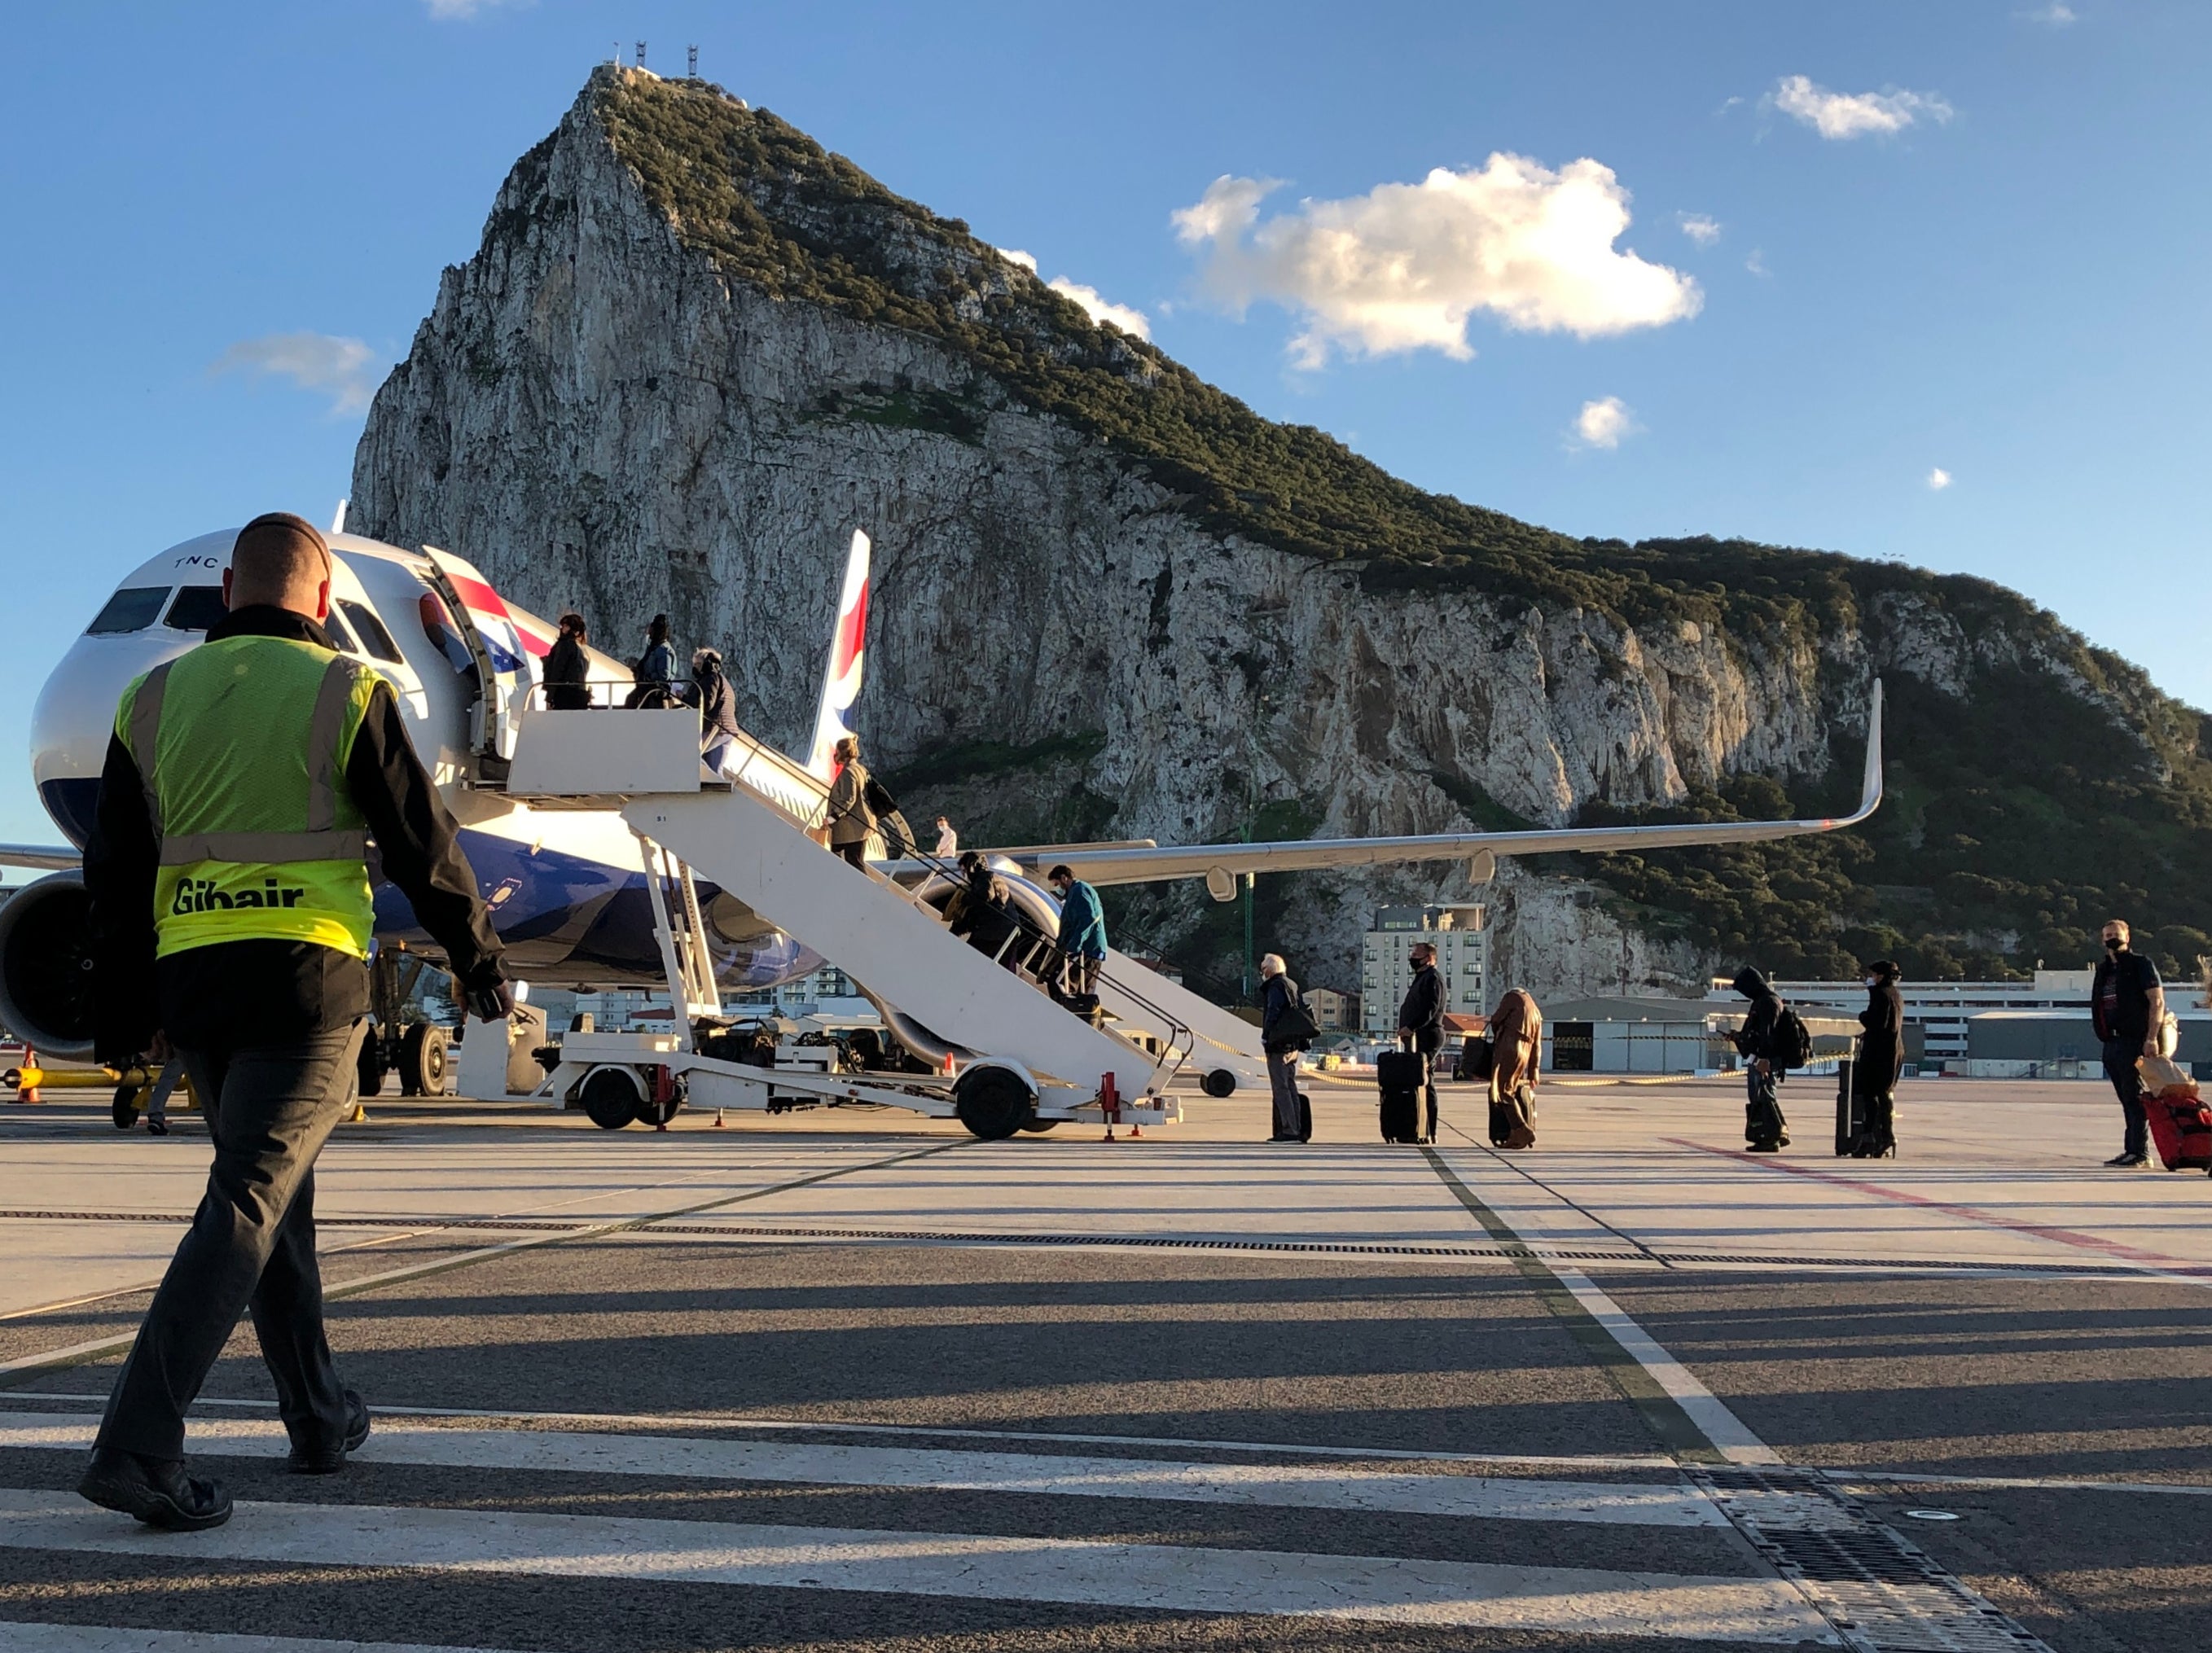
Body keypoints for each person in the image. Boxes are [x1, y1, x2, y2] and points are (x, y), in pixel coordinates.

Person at [77, 512, 510, 1532]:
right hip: (307, 985)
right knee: (246, 1206)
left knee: (277, 1208)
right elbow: (425, 847)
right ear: (321, 599)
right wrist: (480, 962)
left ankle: (318, 1417)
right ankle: (138, 1443)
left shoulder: (149, 698)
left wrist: (120, 1010)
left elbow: (114, 873)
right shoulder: (348, 686)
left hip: (197, 990)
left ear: (230, 590)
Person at [2091, 919, 2164, 1168]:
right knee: (2125, 1097)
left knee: (2135, 1097)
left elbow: (2157, 1002)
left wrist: (2152, 1038)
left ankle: (2141, 1152)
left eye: (2116, 934)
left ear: (2127, 937)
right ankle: (2131, 1149)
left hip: (2135, 1040)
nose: (2112, 938)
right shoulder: (2104, 970)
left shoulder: (2140, 965)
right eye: (2107, 934)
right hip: (2112, 1041)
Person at [1730, 966, 1790, 1152]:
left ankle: (1771, 1136)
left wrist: (1764, 1059)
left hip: (1763, 1059)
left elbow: (1767, 1034)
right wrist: (1738, 1037)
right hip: (1758, 1058)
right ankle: (1770, 1134)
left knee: (1763, 1097)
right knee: (1761, 1097)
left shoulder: (1768, 1002)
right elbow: (1756, 1033)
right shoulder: (1763, 1001)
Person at [1853, 959, 1903, 1158]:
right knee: (1884, 1093)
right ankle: (1884, 1135)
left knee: (1871, 1095)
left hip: (1878, 1052)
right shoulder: (1896, 995)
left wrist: (1863, 1016)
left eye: (1874, 975)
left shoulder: (1880, 995)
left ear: (1881, 976)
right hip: (1893, 1050)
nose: (1871, 979)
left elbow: (1876, 1022)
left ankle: (1873, 1137)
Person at [1258, 953, 1310, 1142]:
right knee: (1290, 1087)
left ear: (1270, 970)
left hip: (1279, 1044)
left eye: (1263, 969)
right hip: (1293, 1045)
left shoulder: (1275, 987)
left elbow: (1273, 1012)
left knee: (1280, 1088)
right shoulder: (1292, 985)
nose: (1262, 973)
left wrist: (1266, 1036)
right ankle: (1296, 1127)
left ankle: (1288, 1130)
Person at [1395, 940, 1444, 1143]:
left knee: (1425, 1081)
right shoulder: (1421, 978)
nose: (1413, 959)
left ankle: (1429, 1130)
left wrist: (1411, 1026)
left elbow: (1430, 1009)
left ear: (1429, 958)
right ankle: (1415, 1126)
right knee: (1415, 1082)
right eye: (1412, 955)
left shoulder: (1433, 978)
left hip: (1426, 1036)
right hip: (1414, 1037)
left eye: (1417, 955)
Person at [1487, 987, 1542, 1150]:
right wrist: (1534, 1071)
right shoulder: (1536, 1012)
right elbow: (1537, 1045)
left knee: (1502, 1091)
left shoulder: (1512, 997)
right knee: (1509, 1089)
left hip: (1510, 1047)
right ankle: (1515, 1132)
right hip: (1525, 1052)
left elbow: (1496, 1019)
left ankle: (1521, 1129)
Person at [946, 852, 1020, 969]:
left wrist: (964, 898)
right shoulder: (996, 879)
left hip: (994, 932)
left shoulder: (984, 878)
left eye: (964, 871)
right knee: (1004, 968)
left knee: (969, 955)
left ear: (971, 868)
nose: (964, 875)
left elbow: (985, 896)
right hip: (1010, 930)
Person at [1048, 865, 1108, 997]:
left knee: (1059, 983)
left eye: (1057, 884)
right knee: (1080, 991)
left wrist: (1075, 945)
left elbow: (1088, 919)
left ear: (1064, 878)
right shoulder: (1078, 891)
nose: (1058, 888)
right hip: (1090, 950)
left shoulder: (1079, 891)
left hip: (1087, 950)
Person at [823, 735, 876, 869]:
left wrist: (831, 818)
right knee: (854, 861)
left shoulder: (848, 772)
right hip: (861, 826)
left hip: (850, 829)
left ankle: (861, 889)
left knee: (849, 862)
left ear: (842, 753)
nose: (835, 755)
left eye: (837, 752)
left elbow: (848, 799)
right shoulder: (861, 770)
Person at [691, 647, 741, 775]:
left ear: (706, 664)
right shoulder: (724, 681)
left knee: (690, 754)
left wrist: (684, 698)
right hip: (728, 730)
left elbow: (707, 705)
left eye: (698, 664)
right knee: (716, 770)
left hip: (716, 728)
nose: (695, 668)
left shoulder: (710, 679)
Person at [626, 614, 678, 708]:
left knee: (632, 701)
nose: (649, 633)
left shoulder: (663, 650)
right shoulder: (654, 648)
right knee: (630, 700)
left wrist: (647, 677)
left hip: (655, 694)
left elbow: (664, 676)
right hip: (647, 690)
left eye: (651, 630)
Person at [542, 612, 591, 710]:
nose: (562, 628)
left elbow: (558, 670)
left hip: (564, 695)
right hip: (579, 696)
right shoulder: (583, 651)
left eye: (566, 626)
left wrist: (550, 697)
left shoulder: (564, 645)